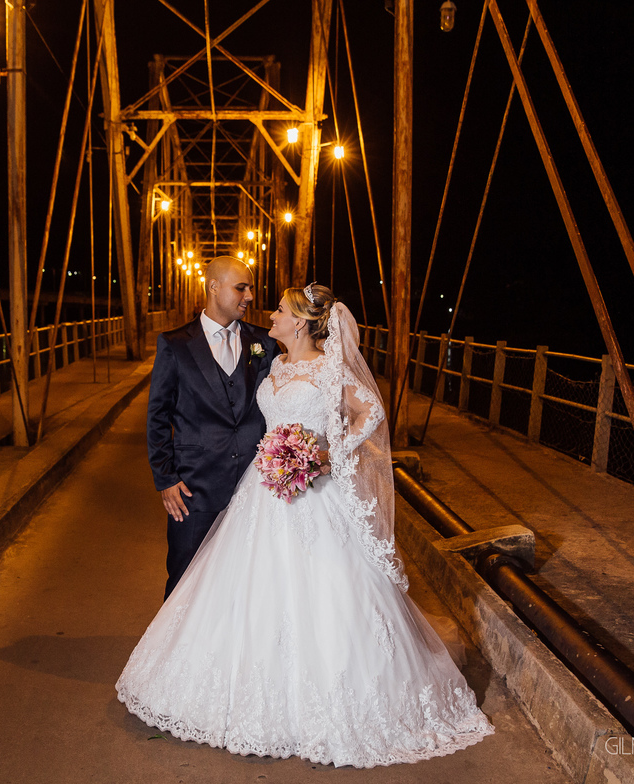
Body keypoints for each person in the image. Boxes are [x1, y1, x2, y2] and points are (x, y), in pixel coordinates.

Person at [118, 284, 494, 768]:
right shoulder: (274, 364)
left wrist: (323, 452)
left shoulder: (329, 368)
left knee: (323, 591)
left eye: (278, 308)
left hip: (312, 492)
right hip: (262, 489)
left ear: (299, 322)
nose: (268, 312)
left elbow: (371, 412)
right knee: (250, 588)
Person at [146, 256, 279, 599]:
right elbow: (158, 416)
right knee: (184, 581)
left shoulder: (265, 342)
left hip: (256, 488)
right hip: (194, 488)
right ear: (213, 287)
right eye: (241, 288)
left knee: (248, 585)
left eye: (250, 287)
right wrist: (166, 478)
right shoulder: (174, 344)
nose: (249, 295)